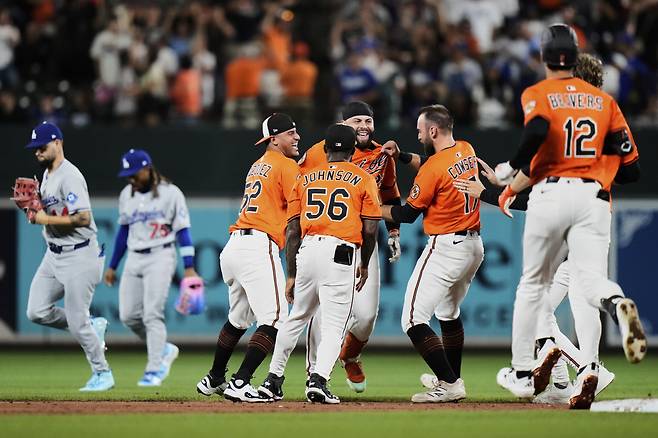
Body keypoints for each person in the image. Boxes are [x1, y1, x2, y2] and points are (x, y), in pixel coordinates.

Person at [493, 24, 646, 409]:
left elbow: (539, 133)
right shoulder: (605, 103)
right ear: (575, 57)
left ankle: (523, 372)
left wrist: (512, 173)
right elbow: (631, 169)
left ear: (543, 57)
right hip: (595, 199)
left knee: (532, 286)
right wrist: (598, 167)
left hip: (552, 191)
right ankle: (615, 310)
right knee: (590, 286)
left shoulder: (540, 93)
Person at [258, 124, 380, 404]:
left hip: (308, 250)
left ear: (325, 151)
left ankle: (273, 380)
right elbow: (371, 229)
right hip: (341, 252)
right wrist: (364, 263)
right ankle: (318, 381)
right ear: (352, 151)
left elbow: (292, 231)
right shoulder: (362, 178)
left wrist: (291, 273)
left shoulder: (305, 178)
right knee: (335, 326)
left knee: (297, 317)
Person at [380, 105, 484, 403]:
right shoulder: (465, 149)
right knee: (448, 313)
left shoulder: (434, 169)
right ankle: (451, 380)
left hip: (446, 248)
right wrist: (401, 156)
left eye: (420, 128)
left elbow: (405, 214)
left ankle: (449, 384)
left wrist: (365, 207)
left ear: (433, 131)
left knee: (412, 319)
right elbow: (433, 164)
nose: (418, 132)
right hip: (473, 246)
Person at [195, 113, 301, 402]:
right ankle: (240, 382)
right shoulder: (285, 165)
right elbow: (299, 213)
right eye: (290, 133)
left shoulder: (258, 165)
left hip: (234, 247)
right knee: (276, 318)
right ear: (274, 139)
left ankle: (215, 378)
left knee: (238, 318)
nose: (297, 137)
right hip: (258, 246)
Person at [298, 101, 401, 393]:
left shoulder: (383, 154)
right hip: (326, 240)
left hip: (363, 242)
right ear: (343, 125)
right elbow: (294, 187)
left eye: (368, 121)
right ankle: (314, 374)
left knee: (366, 315)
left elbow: (391, 194)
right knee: (321, 312)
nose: (364, 126)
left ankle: (350, 355)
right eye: (357, 121)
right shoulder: (320, 151)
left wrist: (394, 231)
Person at [24, 121, 113, 391]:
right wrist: (38, 211)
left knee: (76, 321)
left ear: (58, 143)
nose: (38, 151)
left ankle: (103, 373)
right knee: (36, 311)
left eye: (43, 146)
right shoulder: (48, 175)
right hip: (53, 255)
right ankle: (91, 324)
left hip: (81, 255)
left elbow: (84, 217)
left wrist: (43, 217)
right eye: (34, 148)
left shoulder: (69, 175)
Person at [103, 149, 197, 386]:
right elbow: (123, 231)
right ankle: (162, 349)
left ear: (148, 169)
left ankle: (154, 369)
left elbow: (183, 231)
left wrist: (189, 266)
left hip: (161, 255)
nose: (130, 179)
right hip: (134, 257)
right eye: (128, 175)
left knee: (152, 314)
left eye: (134, 174)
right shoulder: (127, 194)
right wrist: (113, 265)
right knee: (128, 316)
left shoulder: (170, 193)